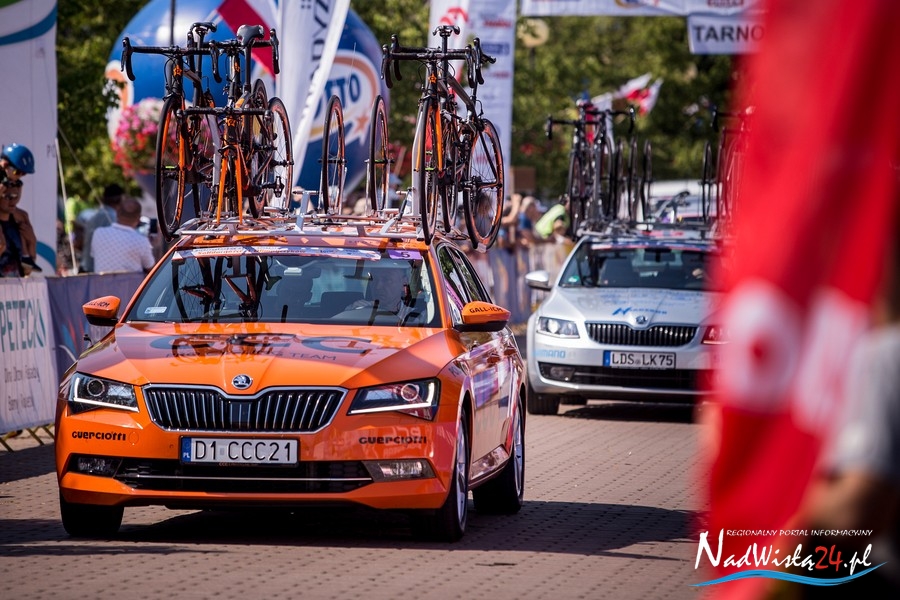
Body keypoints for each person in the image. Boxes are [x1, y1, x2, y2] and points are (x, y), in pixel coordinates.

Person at [90, 196, 156, 274]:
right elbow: (151, 269)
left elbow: (94, 256)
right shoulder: (142, 241)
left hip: (101, 281)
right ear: (138, 219)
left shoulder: (98, 233)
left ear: (117, 213)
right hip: (132, 282)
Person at [0, 143, 40, 272]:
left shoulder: (21, 217)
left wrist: (32, 242)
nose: (13, 200)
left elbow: (28, 271)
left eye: (23, 174)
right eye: (8, 196)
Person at [80, 183, 124, 273]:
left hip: (86, 266)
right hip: (99, 272)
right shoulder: (112, 218)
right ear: (119, 199)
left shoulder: (94, 216)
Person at [346, 267, 411, 314]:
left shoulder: (413, 317)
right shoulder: (356, 309)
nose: (378, 287)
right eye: (374, 279)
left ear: (404, 284)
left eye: (387, 280)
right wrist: (355, 313)